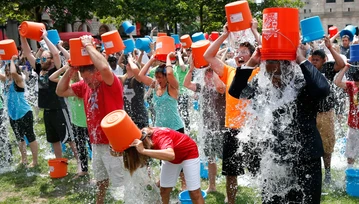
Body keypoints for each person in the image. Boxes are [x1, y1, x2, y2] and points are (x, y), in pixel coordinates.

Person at [228, 44, 330, 203]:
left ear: (289, 69)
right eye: (270, 75)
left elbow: (322, 89)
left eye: (277, 75)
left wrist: (301, 60)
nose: (273, 79)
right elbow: (236, 91)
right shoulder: (264, 87)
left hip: (306, 160)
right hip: (276, 160)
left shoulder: (302, 83)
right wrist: (251, 63)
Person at [56, 35, 125, 204]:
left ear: (96, 73)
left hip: (114, 142)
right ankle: (99, 201)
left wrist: (88, 46)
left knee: (122, 183)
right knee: (101, 179)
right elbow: (60, 91)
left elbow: (105, 68)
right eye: (83, 79)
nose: (86, 82)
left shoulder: (110, 83)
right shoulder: (84, 86)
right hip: (96, 142)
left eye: (87, 78)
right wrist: (71, 70)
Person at [203, 23, 258, 204]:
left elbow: (267, 52)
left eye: (244, 52)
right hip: (232, 129)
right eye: (238, 52)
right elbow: (207, 56)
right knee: (231, 173)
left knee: (259, 171)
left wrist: (255, 31)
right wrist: (224, 35)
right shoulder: (229, 71)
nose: (239, 55)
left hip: (253, 131)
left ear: (252, 56)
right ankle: (231, 202)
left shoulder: (258, 71)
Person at [20, 28, 77, 159]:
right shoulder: (40, 69)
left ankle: (81, 163)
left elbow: (56, 54)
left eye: (45, 57)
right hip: (47, 110)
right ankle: (59, 162)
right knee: (54, 140)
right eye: (42, 58)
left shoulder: (56, 68)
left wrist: (45, 37)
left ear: (51, 60)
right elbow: (28, 53)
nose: (42, 59)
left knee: (70, 139)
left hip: (59, 108)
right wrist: (23, 37)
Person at [124, 127, 204, 204]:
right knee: (164, 191)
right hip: (172, 158)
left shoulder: (159, 136)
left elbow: (170, 155)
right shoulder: (141, 137)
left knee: (194, 193)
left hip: (188, 154)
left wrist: (143, 151)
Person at [183, 58, 226, 193]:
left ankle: (227, 187)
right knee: (210, 158)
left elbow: (220, 87)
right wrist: (191, 69)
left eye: (210, 72)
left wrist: (213, 69)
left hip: (221, 128)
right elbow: (186, 84)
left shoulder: (221, 87)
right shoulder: (202, 88)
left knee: (226, 159)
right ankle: (212, 186)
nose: (207, 75)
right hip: (208, 128)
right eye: (206, 73)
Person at [309, 37, 345, 184]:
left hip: (326, 113)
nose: (314, 62)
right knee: (312, 144)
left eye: (317, 60)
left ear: (324, 60)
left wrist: (330, 48)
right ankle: (314, 173)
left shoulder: (328, 68)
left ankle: (328, 173)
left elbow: (341, 64)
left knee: (327, 145)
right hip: (311, 114)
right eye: (313, 59)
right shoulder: (307, 70)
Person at [0, 56, 39, 167]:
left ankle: (35, 161)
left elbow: (13, 72)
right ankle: (24, 159)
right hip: (13, 115)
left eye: (9, 70)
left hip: (24, 113)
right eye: (6, 71)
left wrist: (11, 60)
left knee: (30, 137)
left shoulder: (19, 80)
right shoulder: (6, 81)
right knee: (19, 138)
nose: (8, 72)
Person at [334, 64, 359, 169]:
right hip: (353, 125)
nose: (357, 85)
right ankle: (349, 173)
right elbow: (337, 82)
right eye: (356, 83)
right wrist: (346, 67)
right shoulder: (351, 85)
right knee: (350, 153)